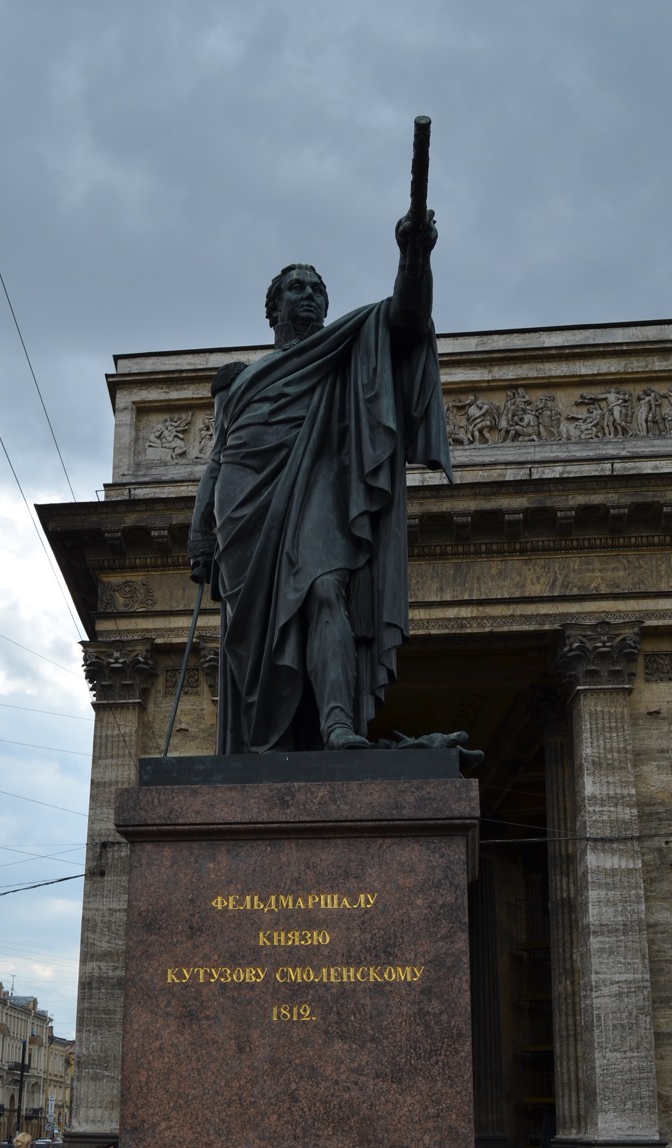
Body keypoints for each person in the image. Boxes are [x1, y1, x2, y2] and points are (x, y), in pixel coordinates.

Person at [189, 202, 452, 754]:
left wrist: (414, 254)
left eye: (316, 289)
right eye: (295, 288)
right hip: (243, 511)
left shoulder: (345, 349)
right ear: (273, 308)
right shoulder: (240, 380)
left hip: (317, 491)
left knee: (326, 590)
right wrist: (198, 532)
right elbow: (216, 459)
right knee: (252, 634)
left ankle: (337, 726)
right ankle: (270, 737)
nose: (307, 295)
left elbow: (407, 316)